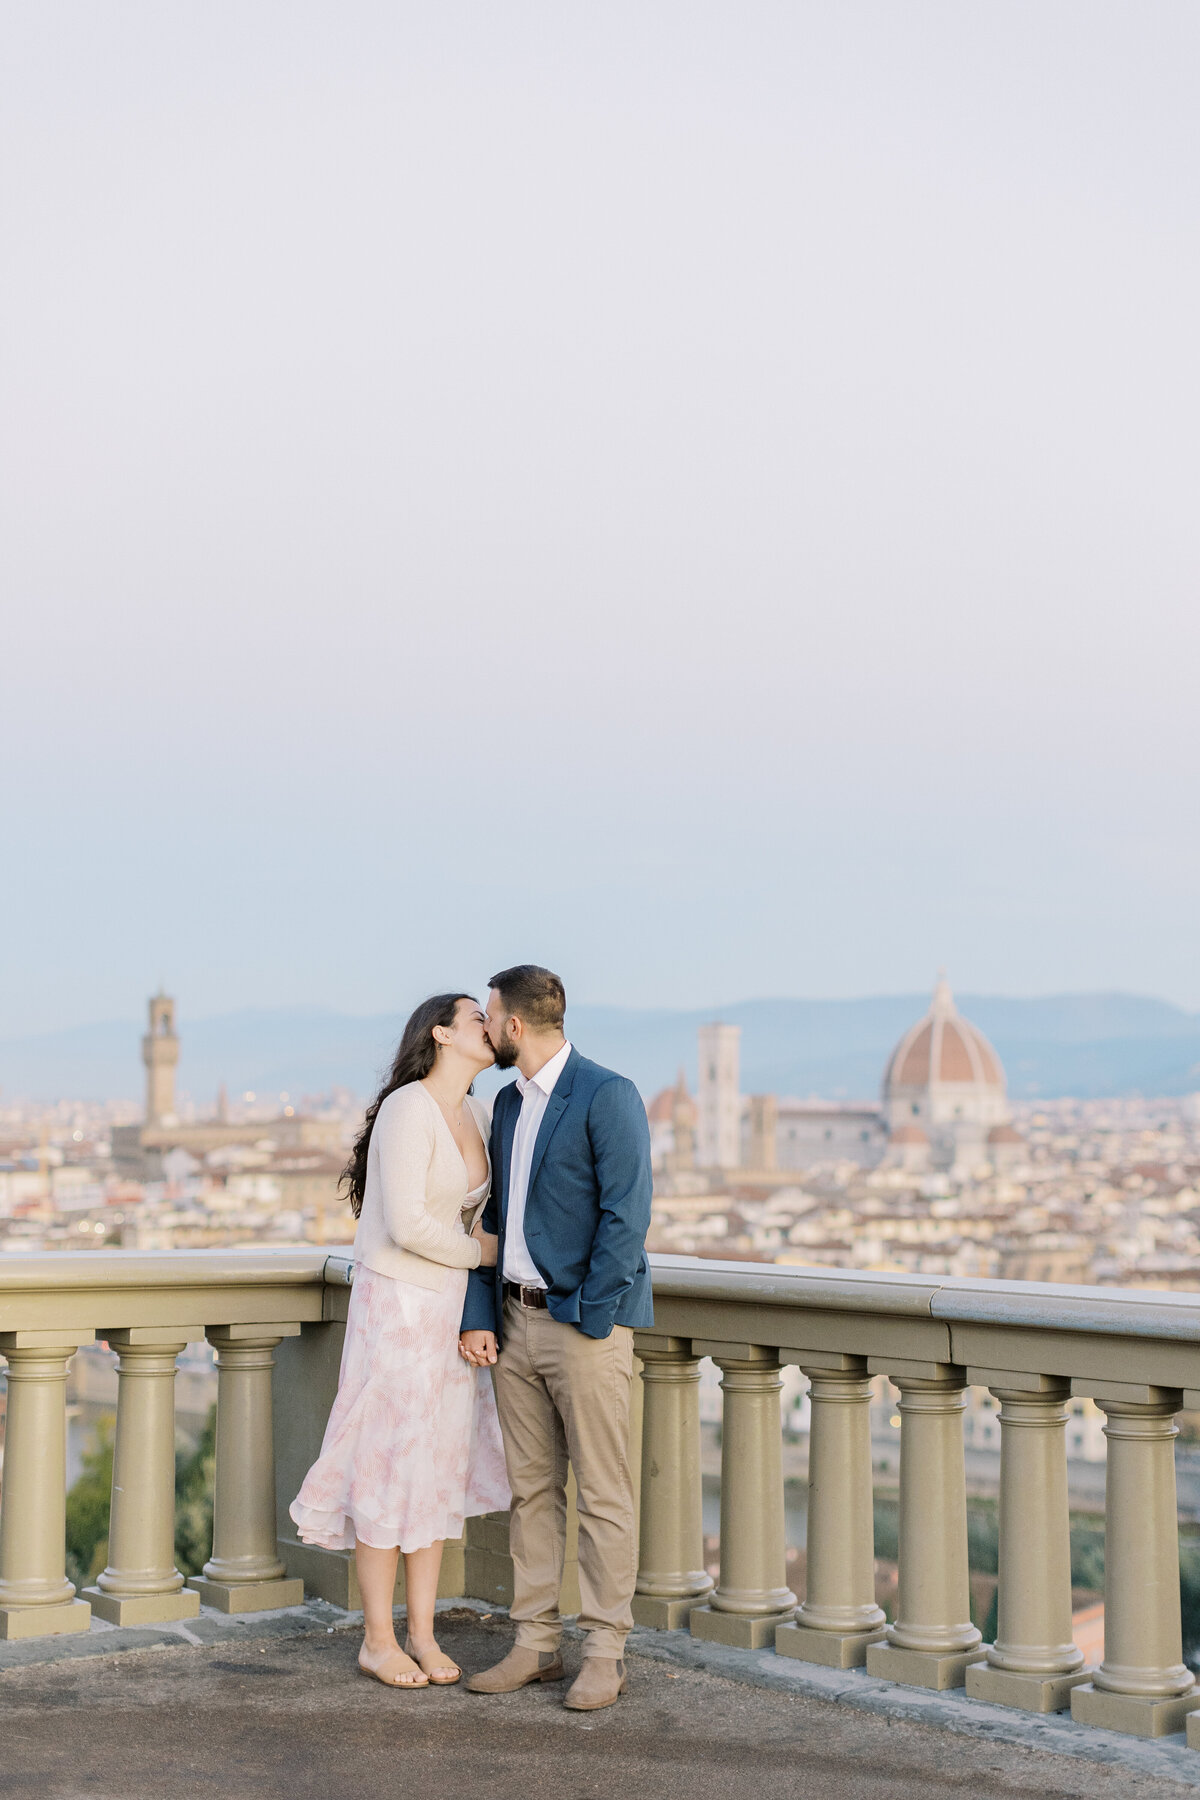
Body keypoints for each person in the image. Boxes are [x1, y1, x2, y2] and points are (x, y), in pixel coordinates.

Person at [291, 993, 511, 1689]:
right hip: (397, 1306)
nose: (489, 1024)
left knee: (433, 1466)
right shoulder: (408, 1108)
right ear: (442, 1033)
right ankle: (378, 1638)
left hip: (444, 1308)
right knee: (388, 1465)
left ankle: (422, 1630)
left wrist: (476, 1289)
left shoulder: (476, 1110)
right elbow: (409, 1224)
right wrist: (486, 1256)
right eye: (477, 1015)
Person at [459, 964, 653, 1712]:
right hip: (512, 1322)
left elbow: (626, 1218)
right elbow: (494, 1221)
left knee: (604, 1494)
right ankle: (535, 1644)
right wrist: (483, 1312)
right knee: (531, 1492)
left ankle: (604, 1651)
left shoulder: (608, 1094)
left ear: (514, 1025)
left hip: (580, 1327)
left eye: (492, 1016)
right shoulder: (507, 1105)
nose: (487, 1028)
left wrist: (591, 1316)